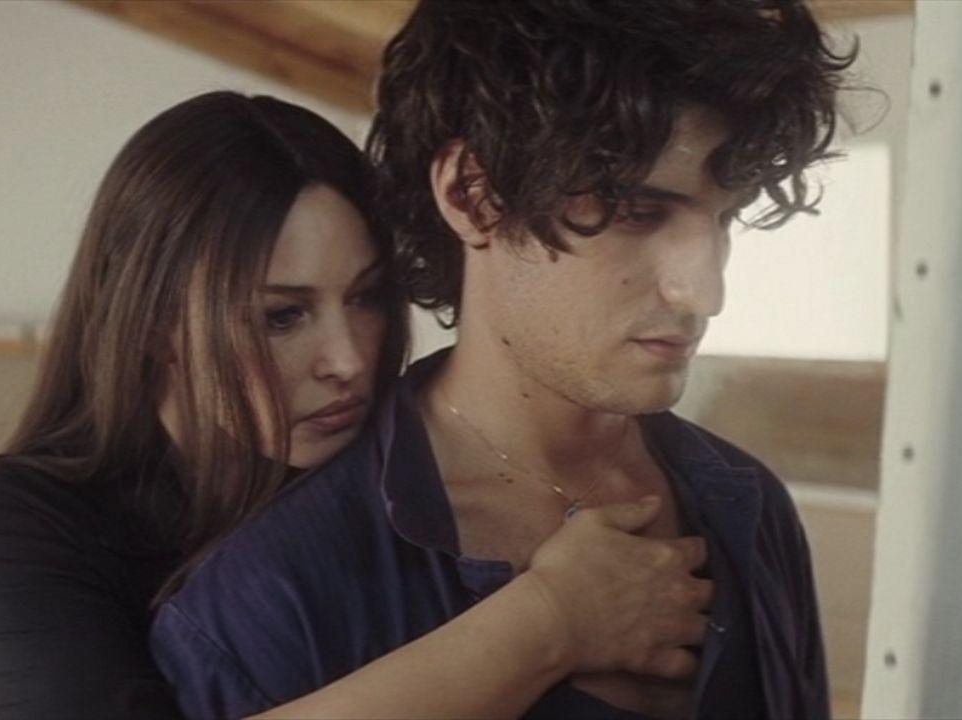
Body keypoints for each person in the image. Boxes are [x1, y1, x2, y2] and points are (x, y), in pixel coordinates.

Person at [152, 0, 854, 718]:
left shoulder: (748, 503)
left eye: (726, 217)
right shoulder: (268, 595)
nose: (704, 292)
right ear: (473, 195)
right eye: (639, 213)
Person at [0, 91, 711, 719]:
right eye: (281, 316)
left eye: (366, 298)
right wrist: (549, 621)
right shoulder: (22, 521)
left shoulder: (418, 468)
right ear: (155, 323)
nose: (347, 360)